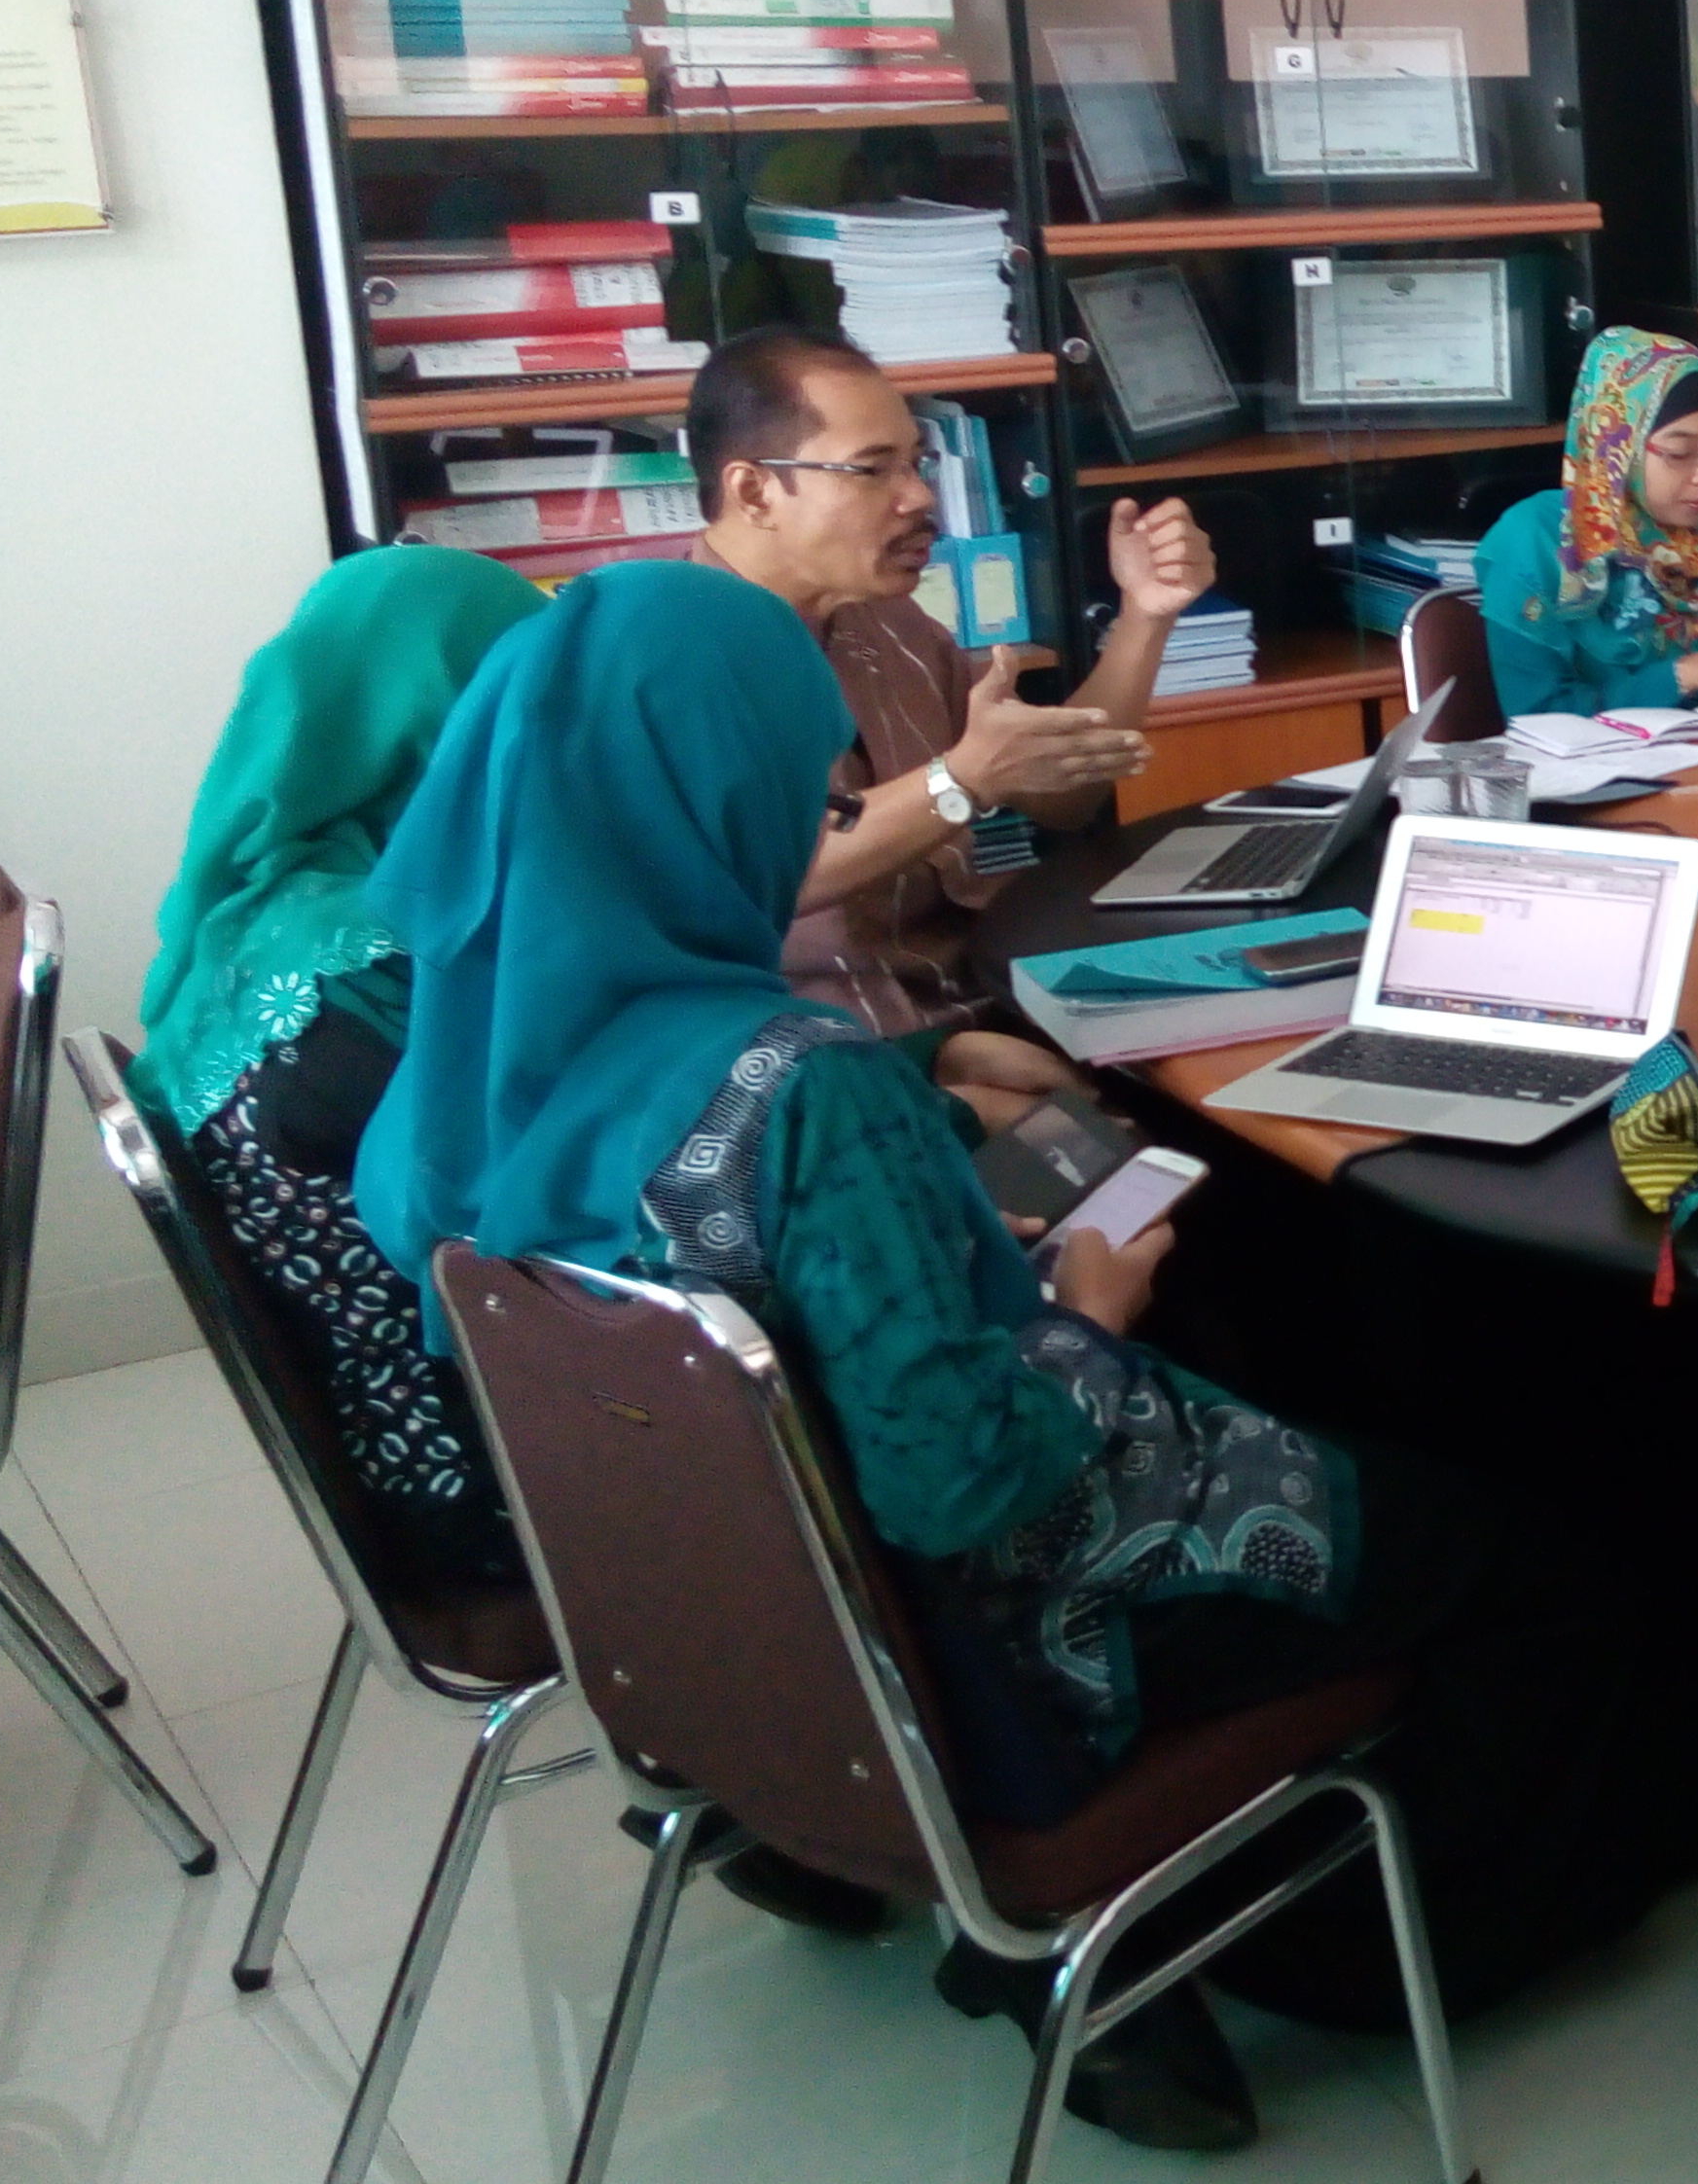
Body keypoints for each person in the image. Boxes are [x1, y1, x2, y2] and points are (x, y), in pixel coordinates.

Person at [348, 562, 1431, 2149]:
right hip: (991, 1639)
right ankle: (1360, 1938)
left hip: (752, 1652)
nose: (825, 811)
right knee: (1474, 1526)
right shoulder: (806, 1093)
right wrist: (1091, 1311)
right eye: (799, 780)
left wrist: (917, 1057)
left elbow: (658, 1147)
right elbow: (957, 1473)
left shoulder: (468, 1051)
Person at [131, 547, 553, 1591]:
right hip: (486, 1495)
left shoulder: (269, 906)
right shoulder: (388, 971)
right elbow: (586, 1200)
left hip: (391, 1451)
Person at [678, 325, 1204, 1068]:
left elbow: (1063, 796)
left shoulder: (886, 621)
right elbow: (757, 879)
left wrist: (1146, 613)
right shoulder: (670, 655)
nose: (920, 498)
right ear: (755, 490)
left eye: (918, 464)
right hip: (818, 1060)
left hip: (985, 992)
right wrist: (961, 781)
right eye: (873, 470)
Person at [1476, 326, 1698, 717]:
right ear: (1617, 450)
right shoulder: (1538, 542)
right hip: (1606, 776)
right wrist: (1680, 676)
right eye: (1680, 453)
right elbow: (1535, 716)